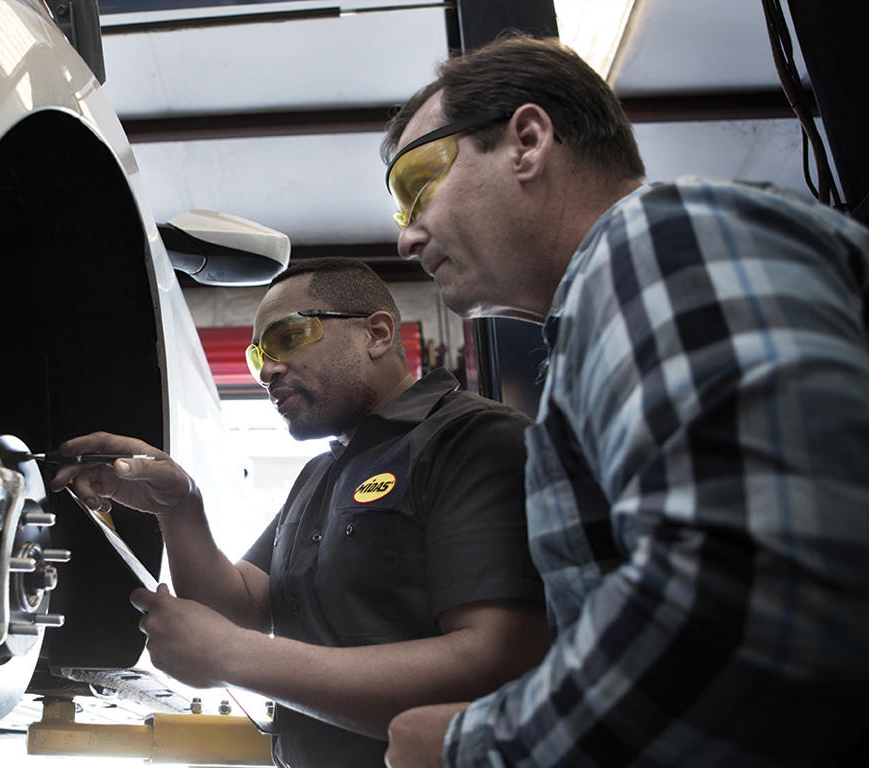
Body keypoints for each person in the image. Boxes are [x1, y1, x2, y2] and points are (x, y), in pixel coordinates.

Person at [380, 34, 869, 767]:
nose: (407, 237)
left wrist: (472, 749)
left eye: (416, 183)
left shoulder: (654, 240)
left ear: (528, 142)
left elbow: (756, 596)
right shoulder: (605, 306)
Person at [49, 257, 548, 768]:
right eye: (258, 356)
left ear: (377, 334)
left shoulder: (474, 439)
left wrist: (233, 656)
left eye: (288, 338)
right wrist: (179, 505)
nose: (267, 371)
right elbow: (238, 608)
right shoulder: (320, 473)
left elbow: (496, 663)